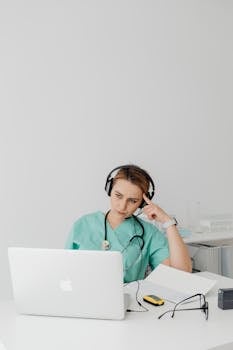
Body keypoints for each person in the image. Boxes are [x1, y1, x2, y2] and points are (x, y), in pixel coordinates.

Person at [65, 164, 192, 283]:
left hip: (127, 303)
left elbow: (181, 274)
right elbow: (64, 270)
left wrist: (168, 222)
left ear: (142, 203)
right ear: (109, 190)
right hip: (83, 297)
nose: (122, 205)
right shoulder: (83, 224)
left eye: (132, 201)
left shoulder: (149, 234)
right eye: (118, 196)